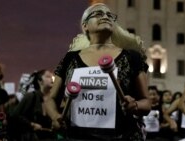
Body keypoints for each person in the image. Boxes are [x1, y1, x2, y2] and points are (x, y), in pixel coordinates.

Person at [44, 3, 152, 141]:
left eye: (109, 15)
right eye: (98, 14)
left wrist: (135, 105)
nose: (106, 16)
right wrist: (55, 117)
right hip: (76, 137)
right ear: (85, 26)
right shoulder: (70, 58)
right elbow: (51, 99)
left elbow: (147, 103)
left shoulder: (132, 57)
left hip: (122, 136)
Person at [8, 69, 56, 141]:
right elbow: (15, 115)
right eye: (48, 76)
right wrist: (31, 124)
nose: (52, 79)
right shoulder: (31, 96)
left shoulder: (54, 99)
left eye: (52, 76)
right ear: (40, 81)